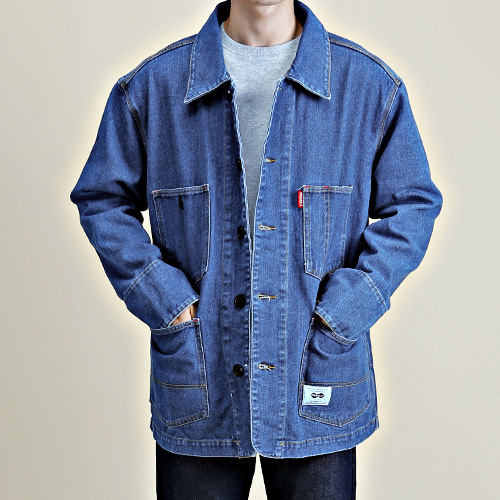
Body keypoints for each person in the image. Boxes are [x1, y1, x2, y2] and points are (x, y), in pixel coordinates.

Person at [69, 0, 443, 498]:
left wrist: (347, 308)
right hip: (201, 381)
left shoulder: (368, 87)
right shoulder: (153, 88)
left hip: (317, 379)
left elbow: (414, 204)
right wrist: (166, 301)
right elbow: (101, 198)